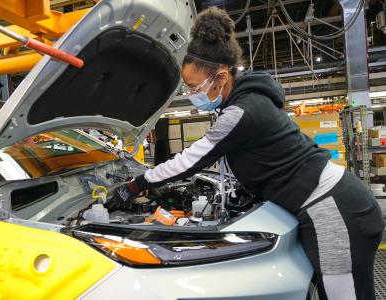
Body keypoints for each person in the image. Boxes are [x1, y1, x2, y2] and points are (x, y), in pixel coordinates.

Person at [107, 7, 384, 300]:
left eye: (193, 87)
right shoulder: (245, 102)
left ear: (222, 77)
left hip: (334, 211)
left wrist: (135, 185)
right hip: (330, 204)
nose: (191, 95)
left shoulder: (242, 112)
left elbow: (189, 160)